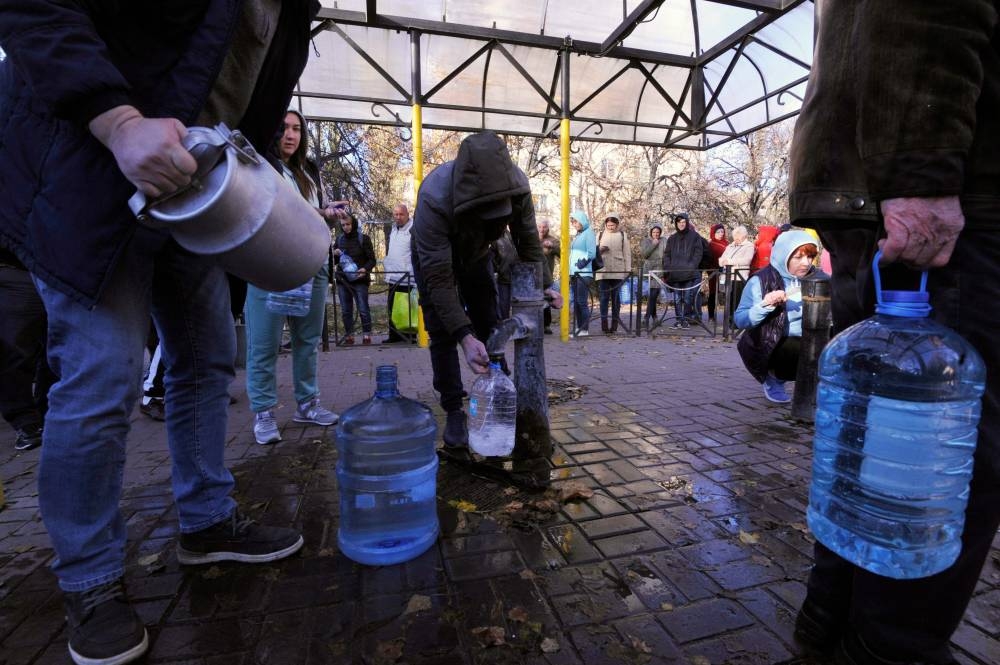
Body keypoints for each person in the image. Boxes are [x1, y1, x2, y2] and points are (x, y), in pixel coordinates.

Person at [0, 3, 319, 663]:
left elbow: (251, 106)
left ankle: (206, 521)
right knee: (103, 368)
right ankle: (89, 579)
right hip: (86, 171)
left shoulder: (294, 10)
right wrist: (118, 122)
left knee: (206, 358)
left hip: (195, 187)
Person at [786, 4, 1000, 664]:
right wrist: (919, 170)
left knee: (866, 463)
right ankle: (886, 652)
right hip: (951, 193)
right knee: (944, 468)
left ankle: (825, 642)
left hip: (889, 183)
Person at [411, 131, 562, 448]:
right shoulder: (434, 200)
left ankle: (499, 384)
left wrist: (545, 284)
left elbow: (528, 242)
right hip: (435, 258)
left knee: (487, 314)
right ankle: (453, 408)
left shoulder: (516, 185)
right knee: (441, 330)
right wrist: (464, 337)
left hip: (479, 254)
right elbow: (439, 280)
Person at [244, 110, 341, 446]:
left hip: (313, 264)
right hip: (270, 264)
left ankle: (308, 404)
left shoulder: (309, 170)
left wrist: (332, 214)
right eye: (284, 127)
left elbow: (315, 216)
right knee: (265, 343)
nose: (290, 135)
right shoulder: (260, 164)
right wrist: (321, 213)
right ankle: (264, 412)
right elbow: (275, 211)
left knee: (308, 340)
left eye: (297, 129)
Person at [733, 231, 821, 404]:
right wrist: (765, 305)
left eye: (810, 257)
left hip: (810, 338)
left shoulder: (817, 278)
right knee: (796, 346)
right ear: (783, 255)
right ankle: (774, 377)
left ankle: (816, 385)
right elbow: (740, 319)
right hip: (773, 342)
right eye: (798, 257)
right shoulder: (761, 280)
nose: (806, 263)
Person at [0, 249, 56, 451]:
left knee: (58, 345)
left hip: (52, 267)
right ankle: (26, 421)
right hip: (15, 268)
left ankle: (48, 412)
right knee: (15, 348)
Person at [333, 213, 377, 345]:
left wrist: (365, 269)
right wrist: (334, 254)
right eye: (343, 225)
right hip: (343, 281)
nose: (346, 227)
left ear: (354, 224)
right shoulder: (339, 240)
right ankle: (349, 336)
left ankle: (367, 335)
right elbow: (335, 262)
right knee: (346, 310)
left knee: (363, 308)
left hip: (360, 279)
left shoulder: (363, 239)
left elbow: (372, 260)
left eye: (348, 224)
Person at [662, 212, 706, 328]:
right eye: (679, 222)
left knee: (687, 298)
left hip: (689, 273)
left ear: (686, 222)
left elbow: (698, 253)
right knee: (677, 299)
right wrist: (668, 267)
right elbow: (667, 254)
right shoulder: (672, 238)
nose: (681, 224)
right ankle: (678, 320)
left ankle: (685, 319)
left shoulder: (695, 236)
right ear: (676, 223)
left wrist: (692, 265)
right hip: (675, 273)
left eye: (683, 222)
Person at [383, 203, 416, 343]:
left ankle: (409, 336)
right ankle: (394, 335)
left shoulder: (413, 229)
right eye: (395, 214)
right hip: (393, 275)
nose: (398, 217)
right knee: (392, 307)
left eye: (401, 214)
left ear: (407, 214)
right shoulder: (393, 229)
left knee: (406, 307)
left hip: (407, 275)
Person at [594, 213, 632, 334]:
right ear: (605, 224)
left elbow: (627, 253)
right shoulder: (599, 235)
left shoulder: (622, 235)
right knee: (604, 298)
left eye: (613, 225)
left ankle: (615, 324)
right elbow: (593, 252)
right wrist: (600, 250)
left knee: (616, 299)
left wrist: (627, 270)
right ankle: (604, 324)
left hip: (618, 270)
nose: (611, 227)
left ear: (617, 224)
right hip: (603, 271)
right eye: (609, 225)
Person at [717, 224, 755, 321]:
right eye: (735, 236)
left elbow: (747, 260)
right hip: (727, 276)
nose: (736, 238)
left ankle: (737, 321)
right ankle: (729, 319)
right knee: (728, 300)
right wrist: (722, 261)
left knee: (737, 300)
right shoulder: (730, 246)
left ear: (744, 236)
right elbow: (722, 258)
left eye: (739, 235)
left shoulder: (749, 246)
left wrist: (729, 262)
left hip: (739, 277)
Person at [568, 211, 597, 336]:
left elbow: (592, 253)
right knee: (577, 303)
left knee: (581, 302)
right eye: (573, 222)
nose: (574, 224)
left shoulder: (589, 233)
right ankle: (579, 328)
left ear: (582, 220)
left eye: (576, 221)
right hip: (575, 274)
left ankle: (584, 329)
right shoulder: (578, 235)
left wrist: (582, 263)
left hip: (584, 273)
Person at [639, 225, 666, 329]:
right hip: (649, 270)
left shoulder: (664, 240)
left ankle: (650, 317)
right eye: (654, 232)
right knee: (653, 294)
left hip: (660, 270)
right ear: (651, 232)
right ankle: (651, 317)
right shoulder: (646, 241)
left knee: (654, 294)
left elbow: (666, 253)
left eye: (658, 232)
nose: (656, 234)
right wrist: (653, 245)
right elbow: (645, 254)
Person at [538, 220, 560, 334]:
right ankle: (536, 324)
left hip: (546, 276)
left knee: (546, 300)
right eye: (540, 227)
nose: (542, 229)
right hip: (533, 275)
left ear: (548, 228)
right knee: (535, 300)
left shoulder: (553, 241)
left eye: (544, 227)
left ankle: (546, 325)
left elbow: (561, 254)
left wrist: (553, 247)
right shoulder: (533, 239)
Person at [705, 224, 729, 321]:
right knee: (712, 293)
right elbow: (707, 258)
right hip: (714, 272)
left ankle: (728, 317)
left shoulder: (727, 244)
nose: (720, 234)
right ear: (713, 233)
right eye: (718, 232)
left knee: (726, 293)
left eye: (722, 232)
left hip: (725, 272)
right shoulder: (710, 244)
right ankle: (711, 316)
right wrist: (711, 270)